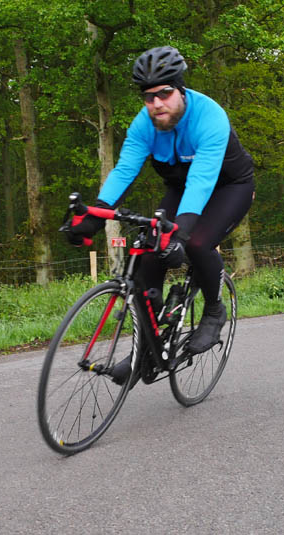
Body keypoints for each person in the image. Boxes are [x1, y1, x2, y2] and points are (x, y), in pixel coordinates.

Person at [67, 46, 254, 383]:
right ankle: (146, 349)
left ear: (181, 89)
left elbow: (202, 180)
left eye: (164, 93)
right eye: (148, 96)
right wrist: (95, 215)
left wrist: (180, 233)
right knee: (147, 251)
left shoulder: (210, 116)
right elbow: (125, 170)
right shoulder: (144, 124)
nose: (156, 104)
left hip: (229, 187)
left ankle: (214, 310)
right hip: (181, 189)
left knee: (196, 243)